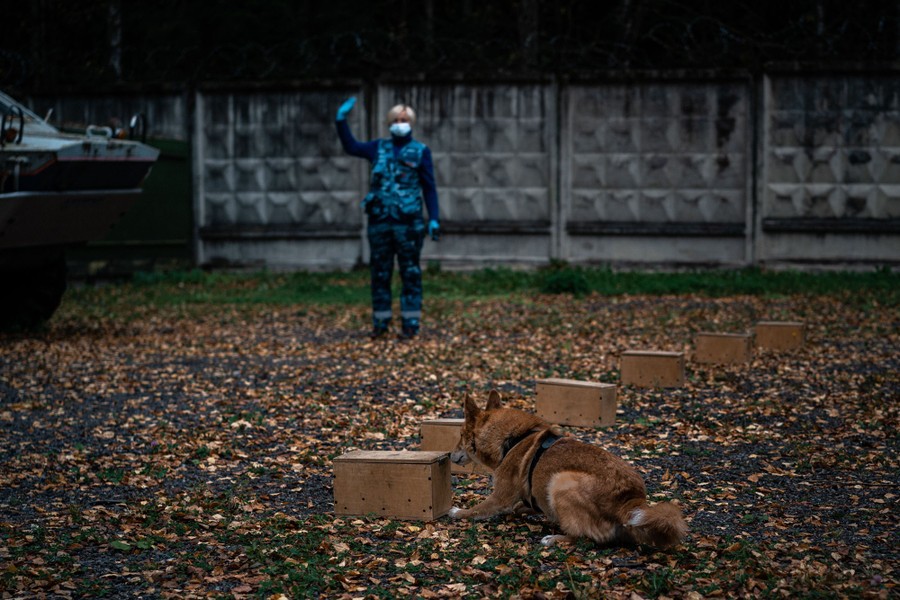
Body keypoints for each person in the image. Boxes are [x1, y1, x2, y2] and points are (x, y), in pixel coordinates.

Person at [335, 97, 440, 339]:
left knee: (410, 272)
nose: (399, 123)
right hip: (380, 222)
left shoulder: (421, 151)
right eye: (395, 120)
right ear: (388, 123)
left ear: (411, 123)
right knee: (380, 273)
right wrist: (341, 121)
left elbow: (429, 186)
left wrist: (433, 217)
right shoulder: (377, 148)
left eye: (403, 120)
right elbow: (351, 146)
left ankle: (410, 324)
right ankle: (380, 324)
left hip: (409, 223)